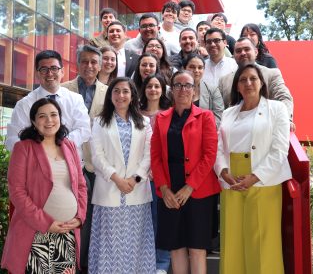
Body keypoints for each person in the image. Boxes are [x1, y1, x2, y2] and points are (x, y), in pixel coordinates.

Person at [215, 63, 292, 274]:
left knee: (262, 244)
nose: (248, 83)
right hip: (231, 181)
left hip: (263, 179)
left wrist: (255, 176)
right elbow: (219, 148)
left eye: (253, 79)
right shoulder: (229, 113)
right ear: (237, 86)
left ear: (261, 83)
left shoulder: (277, 109)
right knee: (232, 241)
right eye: (243, 79)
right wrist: (223, 172)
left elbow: (279, 149)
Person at [1, 98, 87, 274]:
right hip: (36, 232)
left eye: (54, 115)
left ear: (60, 118)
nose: (49, 121)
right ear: (33, 121)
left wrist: (79, 217)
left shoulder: (69, 146)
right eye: (42, 116)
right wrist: (46, 223)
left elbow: (80, 185)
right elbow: (17, 192)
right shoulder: (23, 148)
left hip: (66, 233)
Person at [151, 70, 221, 274]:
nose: (183, 89)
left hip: (198, 192)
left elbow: (210, 155)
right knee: (176, 247)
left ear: (194, 90)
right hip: (170, 191)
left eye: (188, 85)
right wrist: (163, 189)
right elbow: (155, 156)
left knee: (197, 248)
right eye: (178, 85)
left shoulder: (206, 116)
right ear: (172, 90)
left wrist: (189, 188)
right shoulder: (161, 119)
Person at [88, 77, 155, 273]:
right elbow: (97, 156)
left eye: (125, 91)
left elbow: (149, 153)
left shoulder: (144, 121)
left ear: (133, 95)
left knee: (136, 245)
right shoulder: (100, 121)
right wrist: (117, 179)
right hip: (109, 189)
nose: (120, 95)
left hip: (137, 192)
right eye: (116, 91)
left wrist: (134, 179)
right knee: (109, 246)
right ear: (110, 95)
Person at [61, 44, 108, 272]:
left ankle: (89, 265)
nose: (89, 66)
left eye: (93, 62)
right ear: (77, 63)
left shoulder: (109, 93)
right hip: (69, 164)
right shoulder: (62, 90)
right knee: (70, 216)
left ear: (100, 65)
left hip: (98, 168)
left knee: (92, 221)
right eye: (85, 61)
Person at [5, 50, 91, 155]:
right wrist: (40, 149)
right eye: (44, 69)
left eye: (54, 68)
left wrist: (58, 144)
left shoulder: (75, 99)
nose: (49, 74)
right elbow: (12, 139)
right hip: (37, 164)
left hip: (70, 163)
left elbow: (84, 130)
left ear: (62, 72)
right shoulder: (24, 104)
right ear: (37, 73)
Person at [139, 74, 172, 274]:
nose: (153, 90)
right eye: (149, 86)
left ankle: (161, 263)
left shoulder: (168, 114)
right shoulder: (135, 113)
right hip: (140, 176)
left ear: (163, 90)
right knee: (144, 221)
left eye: (157, 86)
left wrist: (156, 169)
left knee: (161, 219)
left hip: (162, 175)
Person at [219, 37, 294, 120]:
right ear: (233, 56)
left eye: (247, 49)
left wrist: (285, 121)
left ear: (256, 52)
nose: (243, 53)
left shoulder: (272, 74)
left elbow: (284, 98)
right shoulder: (224, 81)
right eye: (238, 51)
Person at [183, 53, 224, 128]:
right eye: (192, 67)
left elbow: (218, 116)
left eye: (200, 67)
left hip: (205, 133)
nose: (196, 70)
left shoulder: (213, 90)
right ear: (184, 68)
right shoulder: (176, 89)